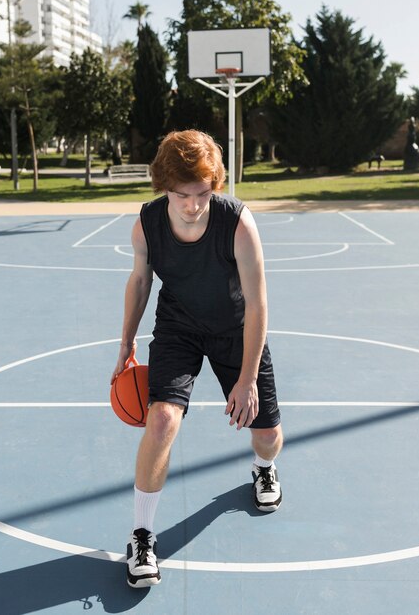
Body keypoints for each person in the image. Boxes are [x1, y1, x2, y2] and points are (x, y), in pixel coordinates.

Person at [111, 130, 283, 589]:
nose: (192, 205)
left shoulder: (238, 222)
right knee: (162, 420)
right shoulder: (146, 224)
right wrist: (126, 342)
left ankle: (264, 468)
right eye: (180, 194)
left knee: (266, 435)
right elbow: (140, 282)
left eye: (203, 193)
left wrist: (246, 380)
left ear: (216, 185)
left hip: (235, 327)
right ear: (163, 187)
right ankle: (142, 535)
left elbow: (259, 303)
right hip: (178, 328)